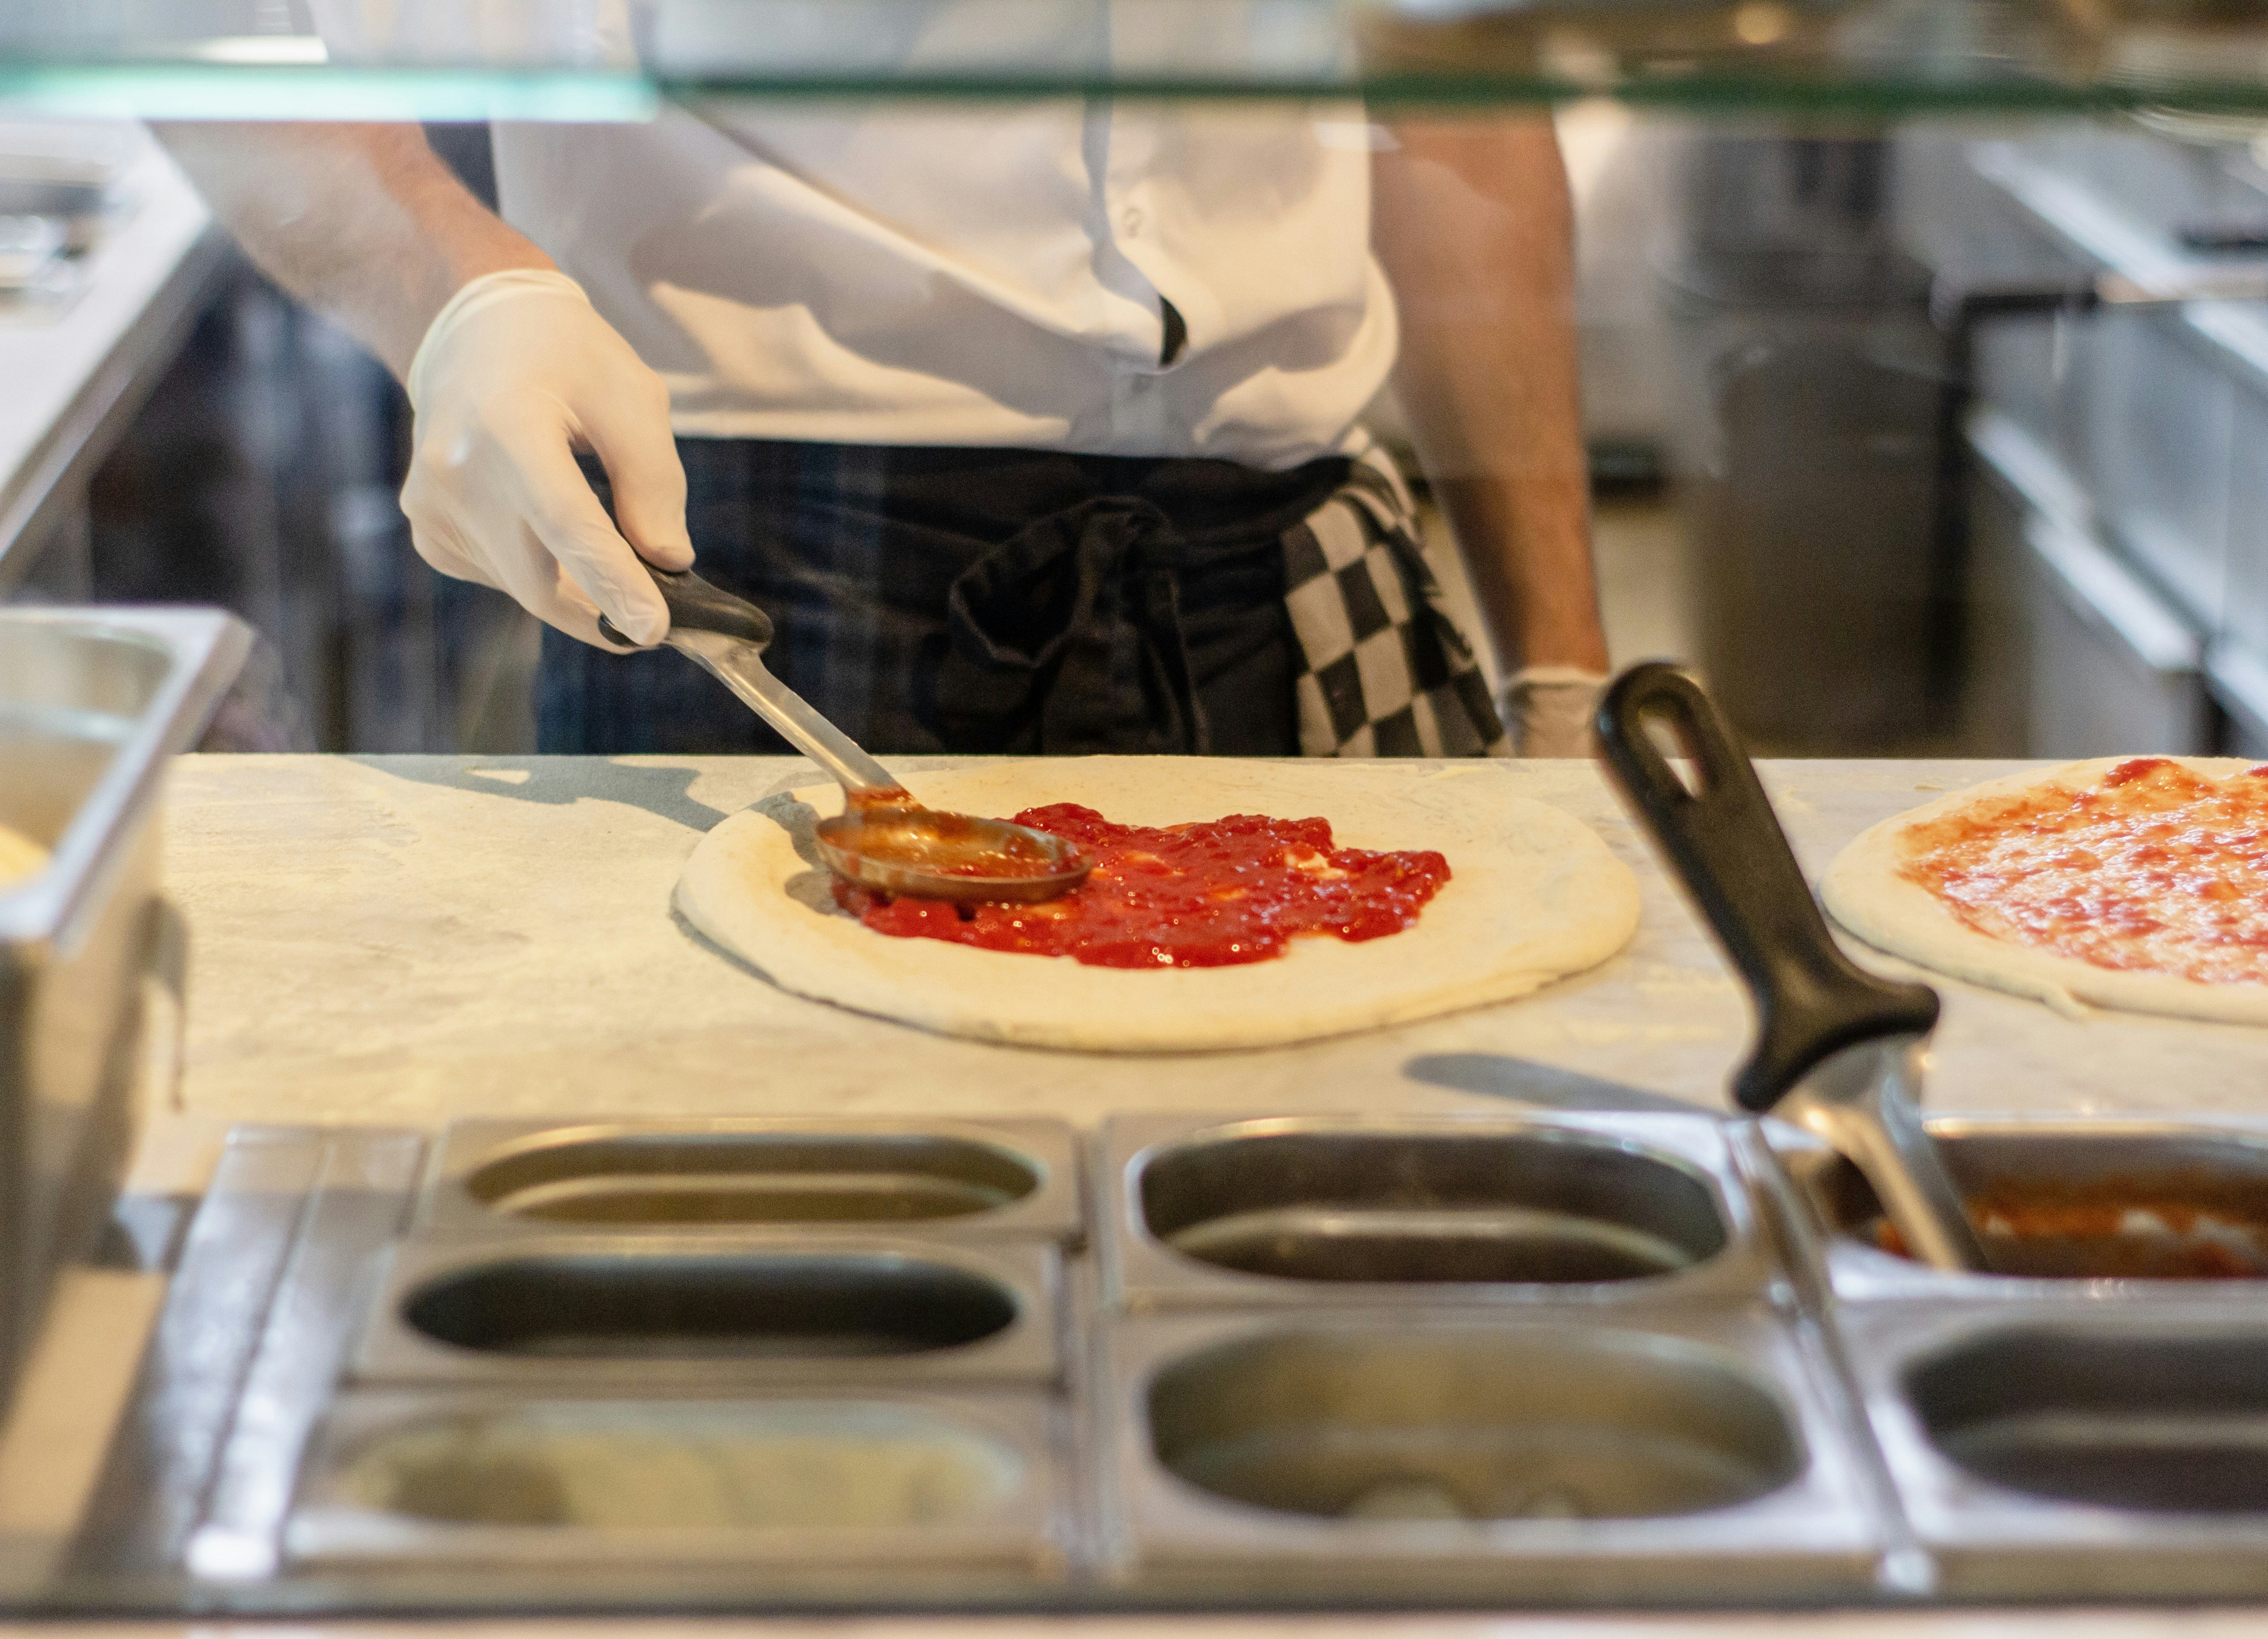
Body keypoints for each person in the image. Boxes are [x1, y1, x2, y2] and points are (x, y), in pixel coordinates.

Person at [157, 96, 1608, 759]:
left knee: (1312, 1248)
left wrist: (1564, 673)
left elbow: (1460, 94)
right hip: (735, 581)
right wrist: (454, 298)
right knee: (760, 1291)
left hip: (1282, 567)